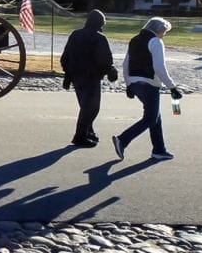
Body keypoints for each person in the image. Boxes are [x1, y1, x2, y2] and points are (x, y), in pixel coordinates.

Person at [112, 17, 183, 162]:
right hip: (149, 84)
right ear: (159, 30)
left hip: (135, 83)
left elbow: (126, 64)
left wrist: (128, 84)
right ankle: (123, 139)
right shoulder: (156, 42)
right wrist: (172, 87)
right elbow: (159, 68)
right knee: (150, 118)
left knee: (155, 118)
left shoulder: (134, 40)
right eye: (164, 32)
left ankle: (159, 150)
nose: (164, 35)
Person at [60, 10, 118, 147]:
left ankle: (88, 132)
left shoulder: (75, 34)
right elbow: (104, 60)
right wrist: (110, 70)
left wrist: (68, 75)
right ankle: (80, 136)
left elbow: (65, 57)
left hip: (76, 76)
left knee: (85, 106)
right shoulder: (99, 38)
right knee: (92, 108)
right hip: (91, 77)